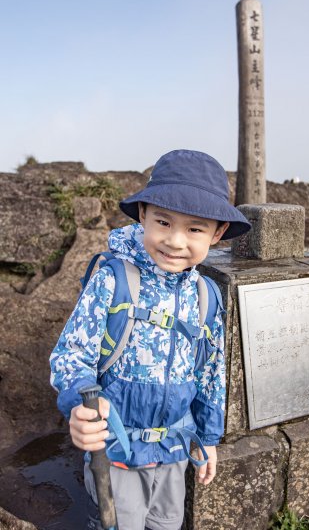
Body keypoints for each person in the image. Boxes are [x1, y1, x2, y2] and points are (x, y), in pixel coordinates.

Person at [50, 149, 251, 530]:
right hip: (117, 447)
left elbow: (211, 372)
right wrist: (80, 403)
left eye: (195, 229)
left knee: (167, 524)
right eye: (163, 221)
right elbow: (71, 353)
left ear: (218, 233)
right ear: (142, 214)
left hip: (175, 449)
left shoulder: (205, 296)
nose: (175, 241)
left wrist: (207, 437)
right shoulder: (114, 278)